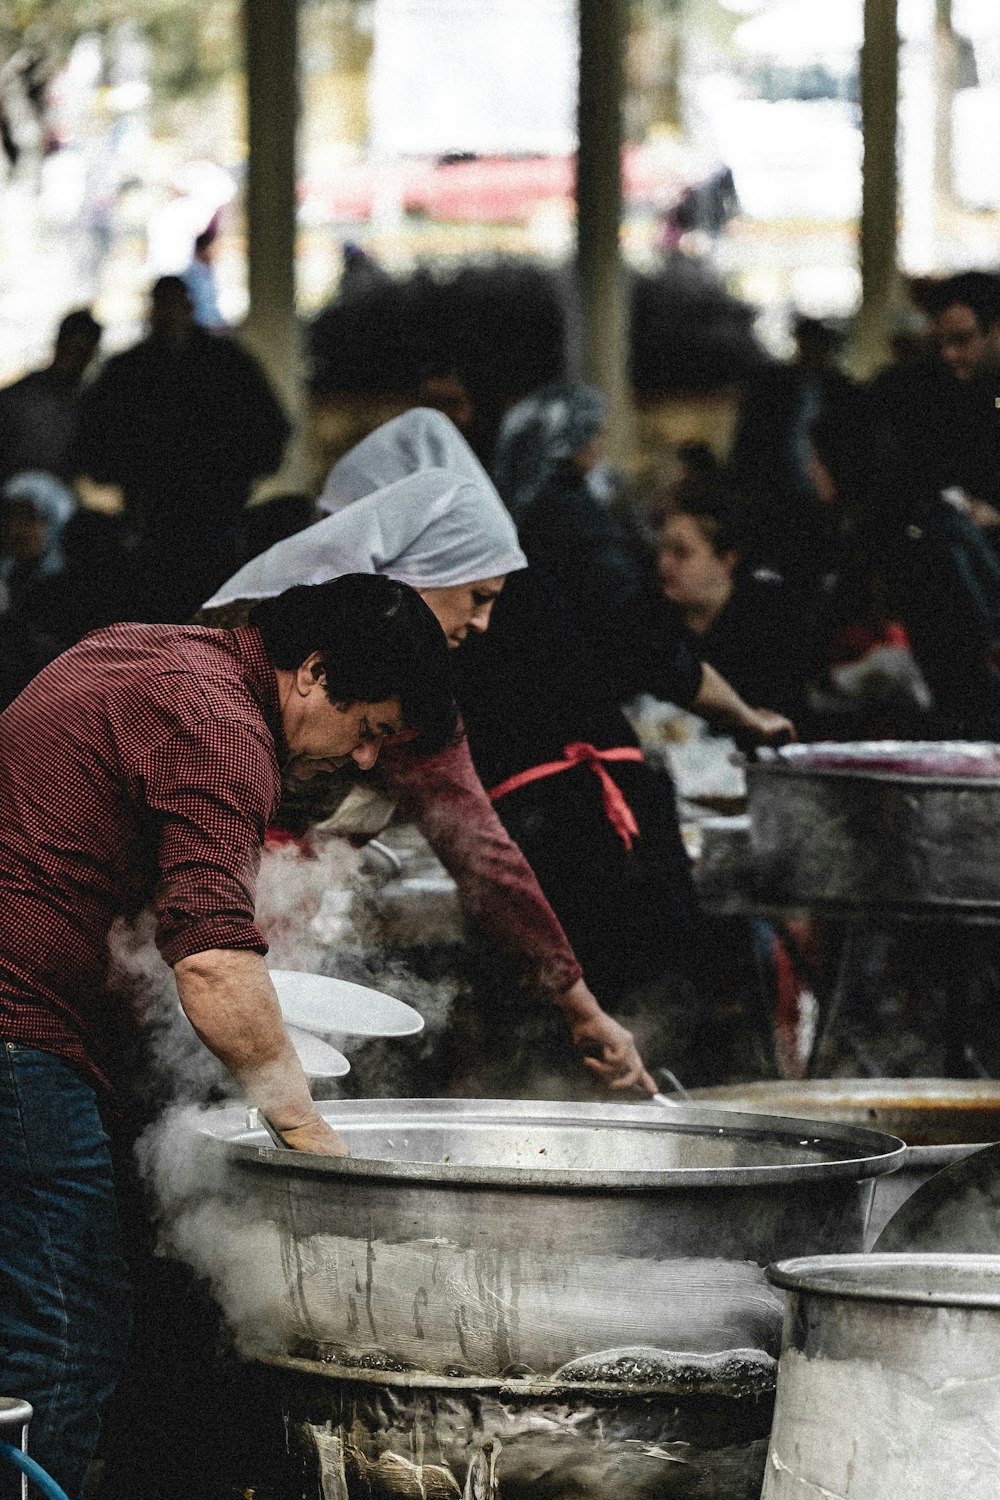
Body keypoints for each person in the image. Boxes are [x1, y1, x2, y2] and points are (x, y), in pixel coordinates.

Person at [0, 573, 457, 1499]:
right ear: (314, 674)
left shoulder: (150, 647)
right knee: (65, 1330)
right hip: (17, 1032)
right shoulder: (224, 731)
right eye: (369, 728)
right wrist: (306, 1131)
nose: (367, 760)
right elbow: (210, 959)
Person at [201, 439, 655, 1097]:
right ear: (416, 571)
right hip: (216, 915)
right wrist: (580, 1008)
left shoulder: (344, 647)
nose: (482, 622)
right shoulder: (315, 652)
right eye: (475, 596)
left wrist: (575, 1001)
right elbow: (482, 852)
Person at [492, 381, 796, 746]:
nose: (663, 564)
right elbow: (639, 633)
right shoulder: (572, 519)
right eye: (597, 433)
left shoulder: (518, 511)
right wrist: (742, 715)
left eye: (682, 552)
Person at [75, 276, 290, 621]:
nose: (170, 315)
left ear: (188, 309)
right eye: (164, 307)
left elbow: (269, 429)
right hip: (157, 517)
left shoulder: (225, 364)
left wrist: (235, 476)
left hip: (212, 513)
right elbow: (94, 439)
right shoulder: (131, 371)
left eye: (175, 306)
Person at [657, 481, 813, 724]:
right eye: (663, 549)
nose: (664, 563)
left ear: (726, 561)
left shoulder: (769, 624)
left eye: (681, 552)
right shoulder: (660, 617)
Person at [0, 308, 101, 486]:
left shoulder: (91, 404)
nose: (74, 360)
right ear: (58, 344)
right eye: (70, 349)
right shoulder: (18, 398)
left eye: (82, 353)